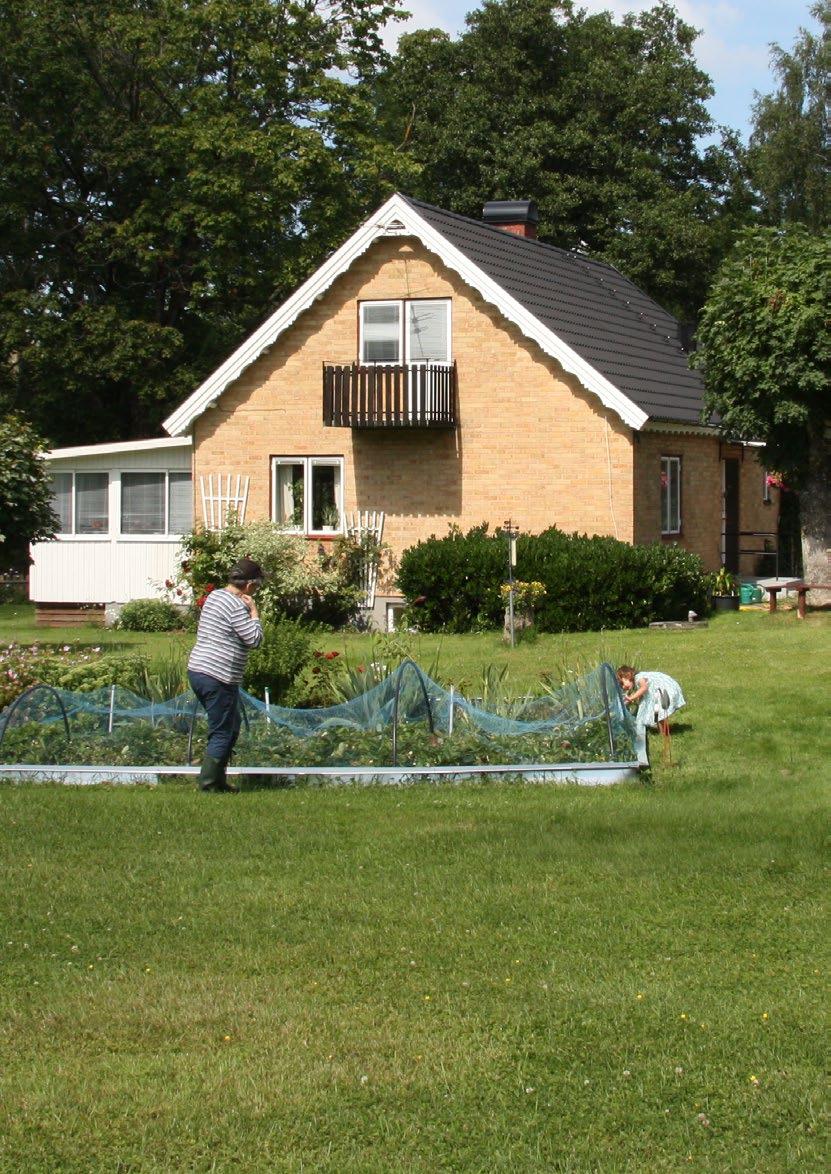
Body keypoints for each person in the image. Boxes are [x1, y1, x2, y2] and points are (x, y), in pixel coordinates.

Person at [187, 557, 264, 792]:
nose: (258, 589)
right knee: (223, 729)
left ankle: (217, 779)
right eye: (258, 585)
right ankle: (210, 784)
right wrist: (254, 612)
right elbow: (254, 639)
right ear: (249, 585)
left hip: (198, 670)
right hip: (217, 675)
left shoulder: (216, 596)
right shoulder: (236, 605)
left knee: (231, 723)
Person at [616, 664, 686, 739]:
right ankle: (664, 729)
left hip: (663, 689)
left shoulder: (639, 678)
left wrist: (632, 698)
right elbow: (642, 692)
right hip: (658, 691)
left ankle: (665, 732)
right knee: (657, 712)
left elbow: (644, 688)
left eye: (622, 683)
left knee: (659, 712)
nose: (623, 687)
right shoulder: (637, 679)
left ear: (628, 676)